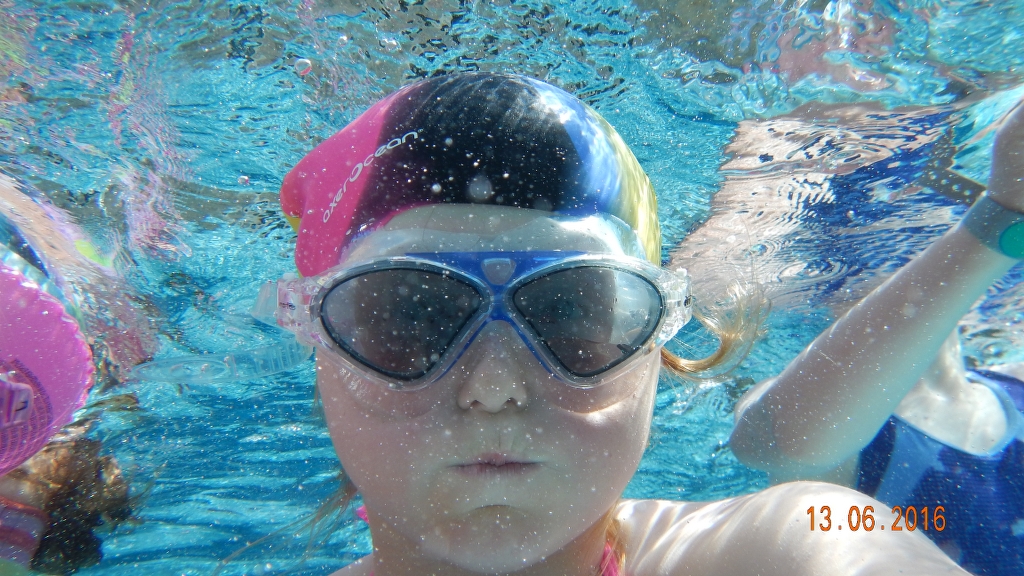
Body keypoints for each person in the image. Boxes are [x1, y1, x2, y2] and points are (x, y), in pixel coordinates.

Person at [257, 72, 971, 575]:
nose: (495, 389)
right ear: (318, 344)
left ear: (657, 345)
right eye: (408, 317)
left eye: (571, 313)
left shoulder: (780, 548)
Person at [730, 96, 1024, 576]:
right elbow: (787, 442)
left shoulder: (1016, 382)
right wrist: (1000, 218)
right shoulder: (819, 422)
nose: (906, 269)